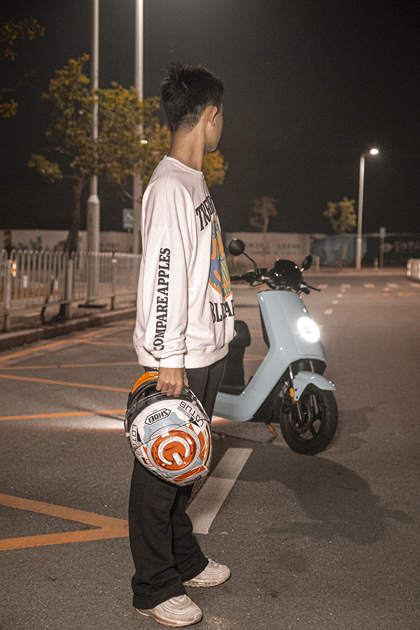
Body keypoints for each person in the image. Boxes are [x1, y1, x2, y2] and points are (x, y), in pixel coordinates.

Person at [129, 62, 235, 627]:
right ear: (209, 115)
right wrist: (168, 358)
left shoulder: (193, 182)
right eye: (223, 117)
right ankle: (153, 585)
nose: (223, 127)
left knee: (186, 469)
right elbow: (164, 276)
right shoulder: (170, 185)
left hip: (203, 350)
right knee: (159, 473)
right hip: (180, 358)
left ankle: (184, 559)